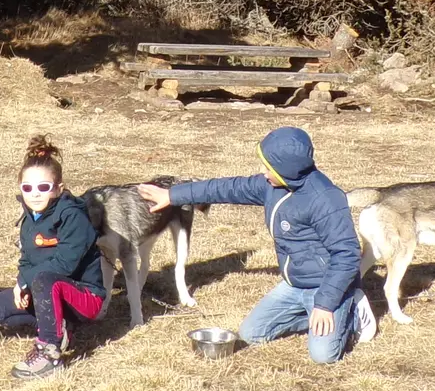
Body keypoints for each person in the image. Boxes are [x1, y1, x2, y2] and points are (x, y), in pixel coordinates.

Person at [137, 126, 374, 364]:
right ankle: (316, 315)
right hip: (294, 284)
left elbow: (347, 254)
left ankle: (352, 310)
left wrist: (324, 304)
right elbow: (226, 188)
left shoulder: (325, 198)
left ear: (286, 170)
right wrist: (172, 195)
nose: (262, 171)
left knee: (323, 356)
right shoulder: (272, 186)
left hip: (326, 286)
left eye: (268, 167)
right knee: (252, 334)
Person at [0, 136, 110, 380]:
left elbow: (65, 264)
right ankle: (59, 325)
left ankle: (49, 352)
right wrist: (22, 281)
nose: (35, 194)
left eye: (43, 187)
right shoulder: (29, 218)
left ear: (59, 189)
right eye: (27, 188)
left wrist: (27, 282)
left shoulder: (73, 217)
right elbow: (27, 260)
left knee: (43, 279)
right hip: (45, 288)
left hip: (84, 296)